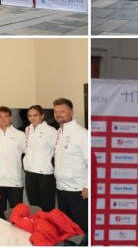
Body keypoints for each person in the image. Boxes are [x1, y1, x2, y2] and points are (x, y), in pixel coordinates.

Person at [53, 98, 88, 235]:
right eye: (56, 111)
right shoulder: (59, 132)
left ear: (71, 112)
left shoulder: (81, 133)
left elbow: (92, 161)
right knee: (67, 229)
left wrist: (88, 186)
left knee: (81, 230)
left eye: (62, 111)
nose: (58, 114)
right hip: (61, 189)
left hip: (78, 191)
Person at [0, 106, 26, 217]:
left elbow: (29, 153)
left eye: (6, 116)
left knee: (16, 214)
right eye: (0, 116)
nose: (3, 119)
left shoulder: (20, 135)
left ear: (10, 118)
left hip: (14, 181)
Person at [24, 105, 57, 211]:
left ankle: (48, 228)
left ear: (42, 116)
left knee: (47, 207)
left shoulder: (50, 130)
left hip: (45, 174)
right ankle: (37, 227)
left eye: (35, 115)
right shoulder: (28, 129)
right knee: (34, 207)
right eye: (30, 116)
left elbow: (57, 151)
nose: (32, 118)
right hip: (29, 173)